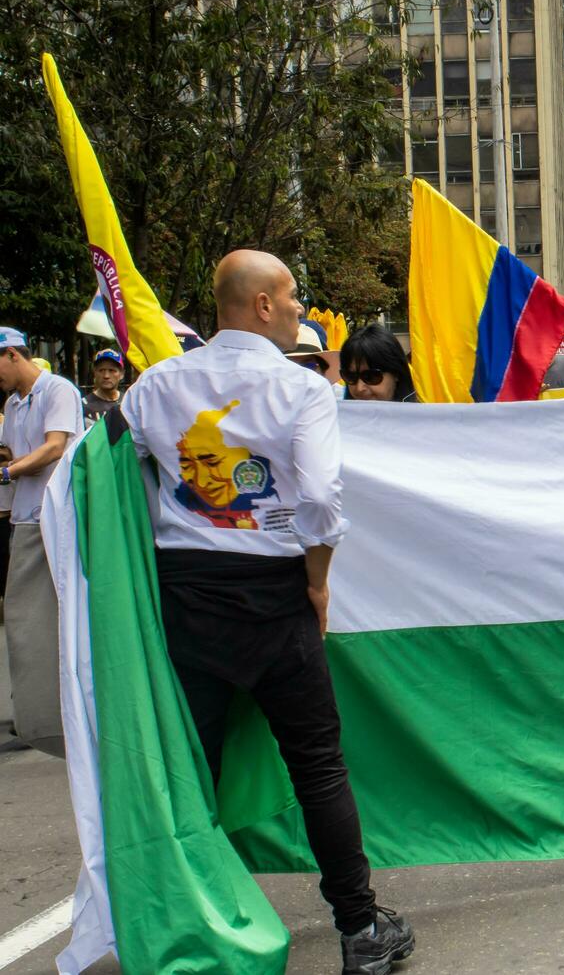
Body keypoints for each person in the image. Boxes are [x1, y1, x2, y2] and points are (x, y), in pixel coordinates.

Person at [119, 250, 415, 973]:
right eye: (290, 299)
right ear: (258, 305)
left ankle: (184, 924)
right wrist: (317, 582)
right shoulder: (302, 391)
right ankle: (359, 928)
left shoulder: (154, 387)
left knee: (191, 771)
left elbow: (118, 481)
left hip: (185, 598)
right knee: (317, 765)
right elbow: (318, 502)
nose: (299, 311)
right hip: (274, 592)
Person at [0, 328, 83, 757]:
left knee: (45, 621)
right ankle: (38, 719)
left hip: (57, 524)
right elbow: (10, 454)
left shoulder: (59, 390)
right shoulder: (13, 405)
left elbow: (54, 449)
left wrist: (7, 473)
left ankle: (56, 723)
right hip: (24, 521)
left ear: (12, 354)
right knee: (30, 623)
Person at [339, 323, 418, 402]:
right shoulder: (335, 412)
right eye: (350, 376)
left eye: (371, 377)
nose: (359, 388)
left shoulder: (423, 413)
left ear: (396, 374)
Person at [83, 348, 126, 423]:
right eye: (101, 370)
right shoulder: (83, 405)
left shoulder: (128, 402)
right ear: (95, 373)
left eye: (112, 370)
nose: (106, 376)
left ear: (121, 374)